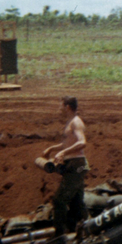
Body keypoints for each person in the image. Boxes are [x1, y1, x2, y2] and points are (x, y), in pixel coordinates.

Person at [38, 96, 90, 236]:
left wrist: (63, 152)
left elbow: (82, 142)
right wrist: (52, 148)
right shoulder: (69, 123)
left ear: (67, 107)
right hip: (73, 165)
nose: (59, 109)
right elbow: (67, 143)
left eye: (61, 106)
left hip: (76, 165)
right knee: (76, 202)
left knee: (59, 200)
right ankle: (86, 229)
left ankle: (60, 234)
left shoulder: (76, 122)